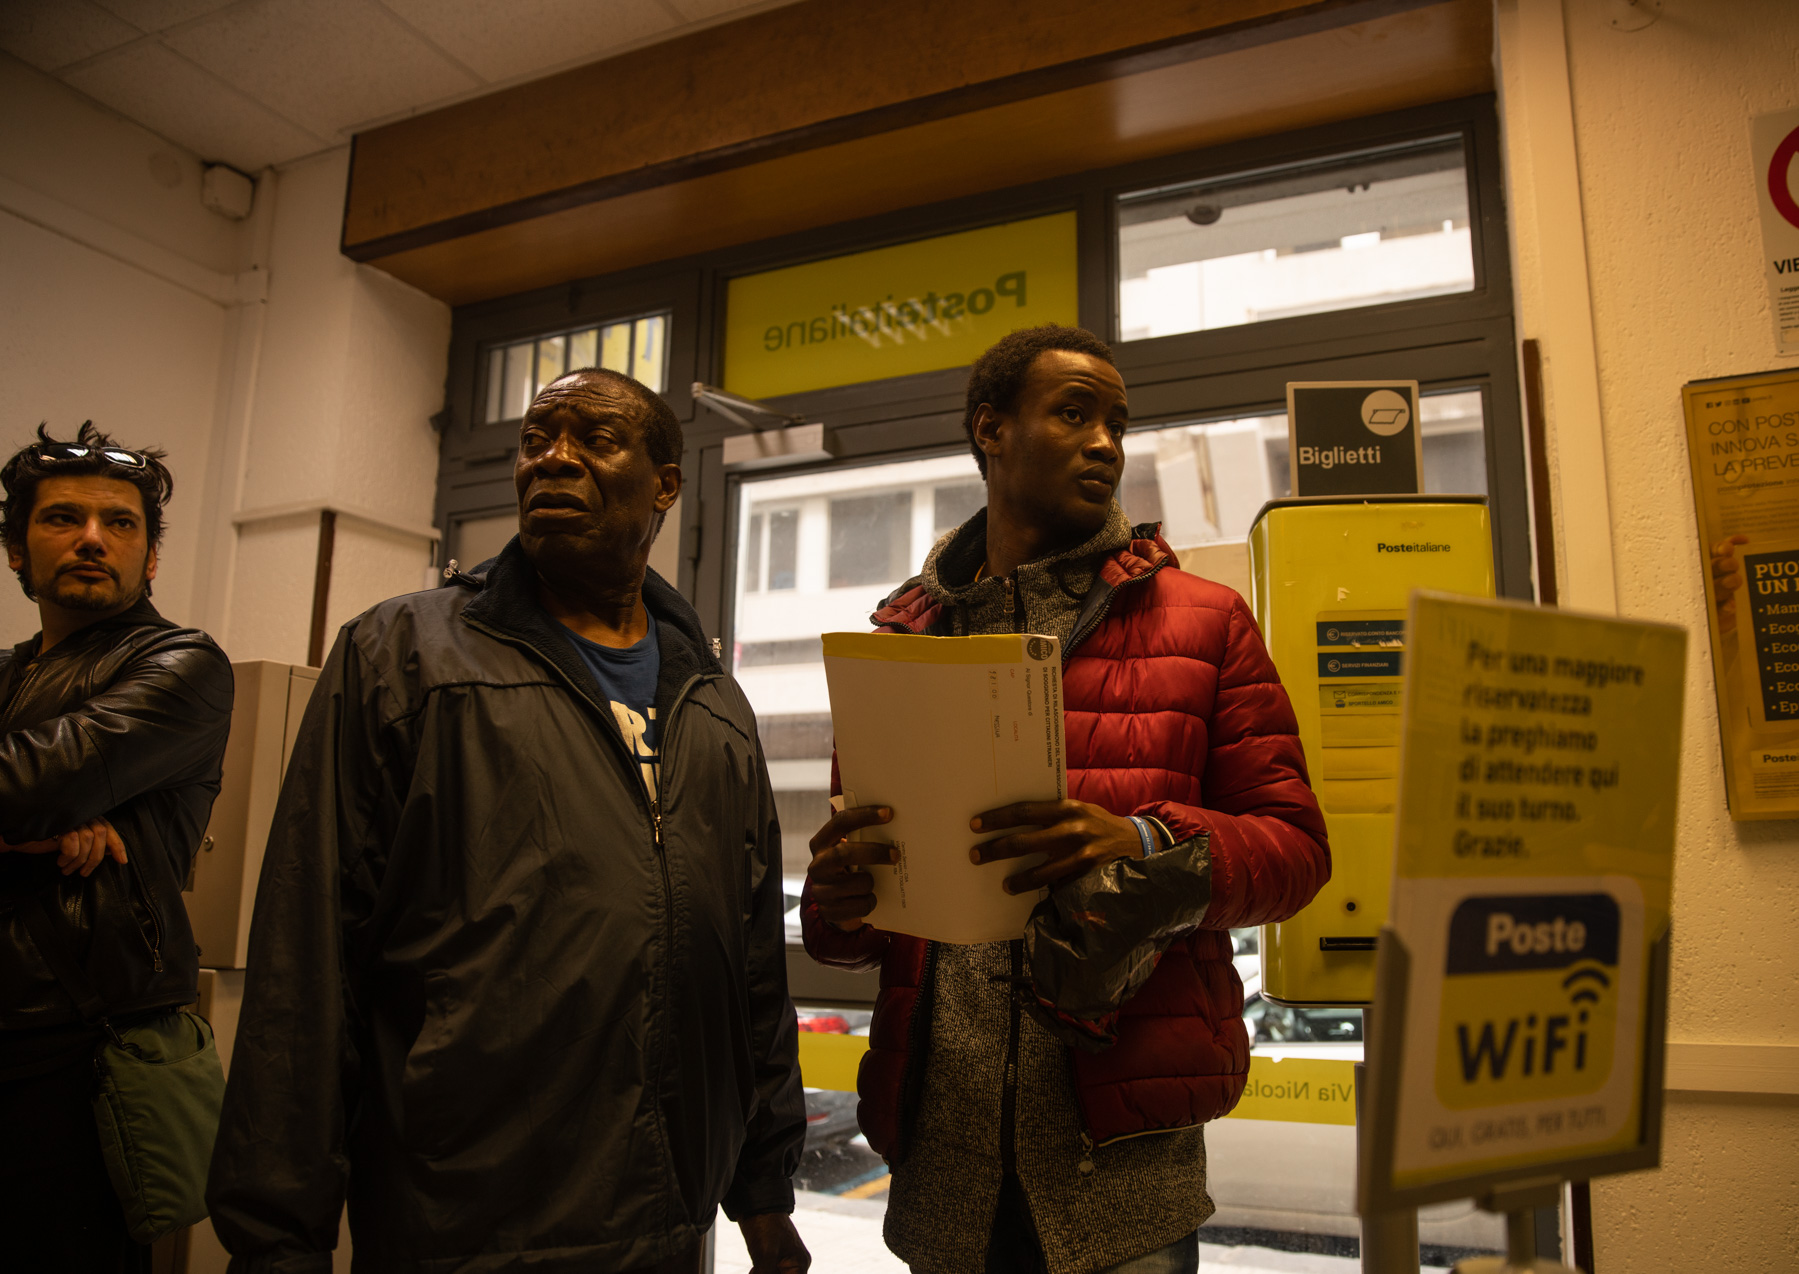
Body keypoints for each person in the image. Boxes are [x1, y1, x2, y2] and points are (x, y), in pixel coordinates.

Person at [208, 368, 809, 1273]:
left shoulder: (715, 703)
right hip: (460, 1212)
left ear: (667, 484)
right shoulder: (401, 652)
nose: (553, 461)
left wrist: (763, 1191)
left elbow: (751, 964)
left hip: (667, 1211)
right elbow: (309, 952)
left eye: (594, 440)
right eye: (536, 440)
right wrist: (276, 1238)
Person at [802, 326, 1331, 1274]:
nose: (1105, 444)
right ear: (991, 430)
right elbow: (864, 924)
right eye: (1075, 414)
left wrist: (1139, 838)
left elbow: (1295, 851)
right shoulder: (899, 643)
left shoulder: (1203, 620)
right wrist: (837, 904)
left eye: (1117, 424)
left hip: (1120, 1158)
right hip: (943, 1158)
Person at [0, 422, 234, 1273]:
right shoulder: (5, 671)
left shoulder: (181, 664)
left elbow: (31, 785)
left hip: (72, 1055)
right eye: (63, 517)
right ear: (16, 553)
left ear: (151, 558)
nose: (94, 538)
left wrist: (39, 809)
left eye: (121, 523)